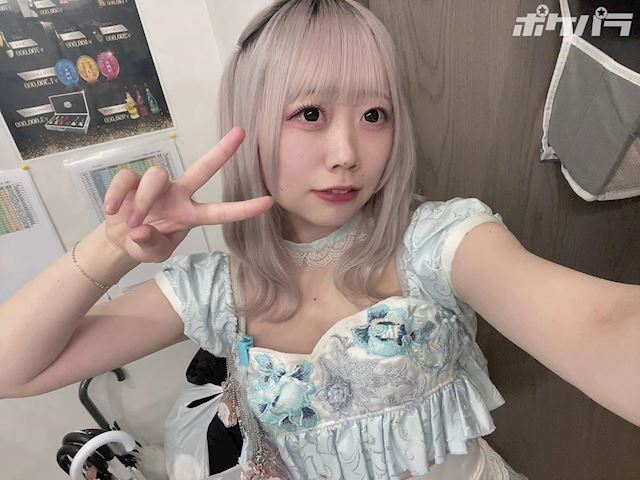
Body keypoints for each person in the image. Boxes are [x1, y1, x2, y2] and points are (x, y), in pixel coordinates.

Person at [1, 0, 638, 479]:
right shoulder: (219, 291)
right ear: (251, 125)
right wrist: (114, 246)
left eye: (374, 115)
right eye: (311, 114)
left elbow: (604, 326)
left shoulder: (439, 242)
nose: (347, 153)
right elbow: (14, 371)